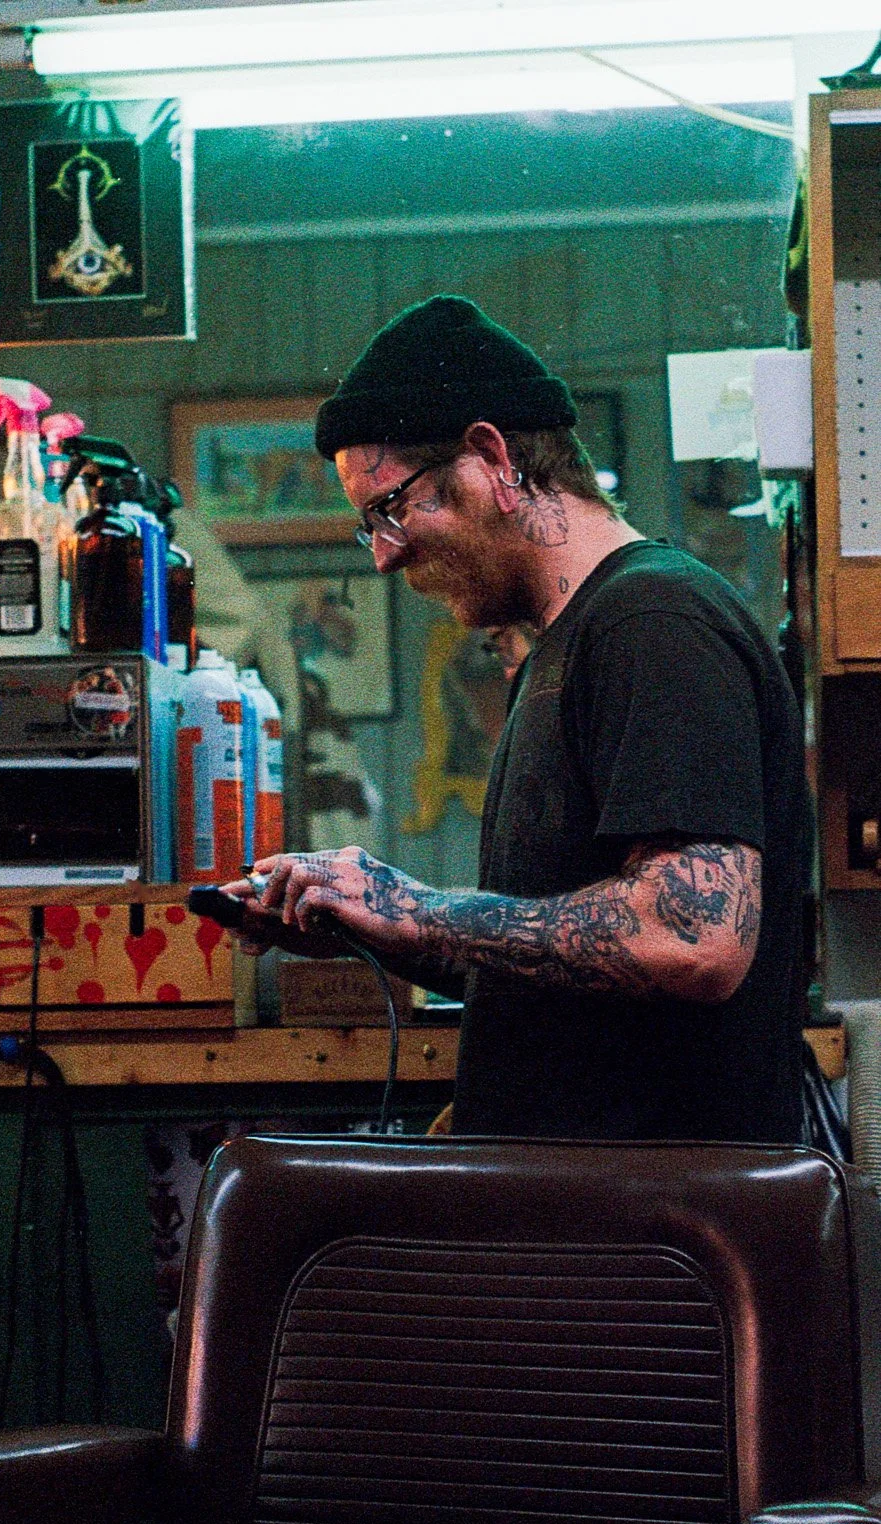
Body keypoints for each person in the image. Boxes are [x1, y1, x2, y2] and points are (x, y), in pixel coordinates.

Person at [227, 295, 806, 1142]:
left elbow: (693, 938)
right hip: (581, 1209)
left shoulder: (653, 622)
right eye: (369, 527)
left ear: (490, 458)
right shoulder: (568, 645)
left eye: (390, 507)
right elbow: (566, 954)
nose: (383, 553)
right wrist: (376, 926)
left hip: (651, 1230)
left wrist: (419, 906)